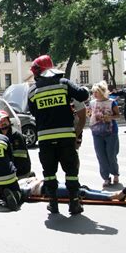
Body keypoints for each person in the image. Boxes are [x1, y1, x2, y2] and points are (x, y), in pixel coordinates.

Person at [28, 55, 89, 215]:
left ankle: (53, 203)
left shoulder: (32, 91)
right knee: (71, 171)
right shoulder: (64, 84)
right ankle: (74, 203)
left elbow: (34, 112)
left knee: (49, 172)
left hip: (45, 138)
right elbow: (83, 95)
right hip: (65, 136)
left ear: (38, 72)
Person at [88, 81, 121, 187]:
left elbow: (118, 115)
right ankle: (106, 178)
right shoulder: (92, 103)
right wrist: (90, 115)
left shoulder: (111, 102)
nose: (94, 94)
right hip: (96, 132)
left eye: (96, 92)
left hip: (110, 131)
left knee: (111, 155)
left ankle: (115, 173)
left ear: (102, 92)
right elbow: (89, 113)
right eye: (93, 92)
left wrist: (110, 117)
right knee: (101, 156)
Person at [19, 177, 126, 202]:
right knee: (79, 192)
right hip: (47, 189)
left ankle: (111, 193)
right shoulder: (20, 184)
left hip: (51, 183)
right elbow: (27, 191)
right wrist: (37, 181)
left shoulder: (24, 179)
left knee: (81, 187)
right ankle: (114, 196)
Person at [0, 110, 32, 179]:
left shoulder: (17, 136)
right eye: (0, 121)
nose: (3, 123)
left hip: (20, 172)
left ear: (9, 121)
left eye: (5, 120)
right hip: (7, 171)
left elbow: (20, 159)